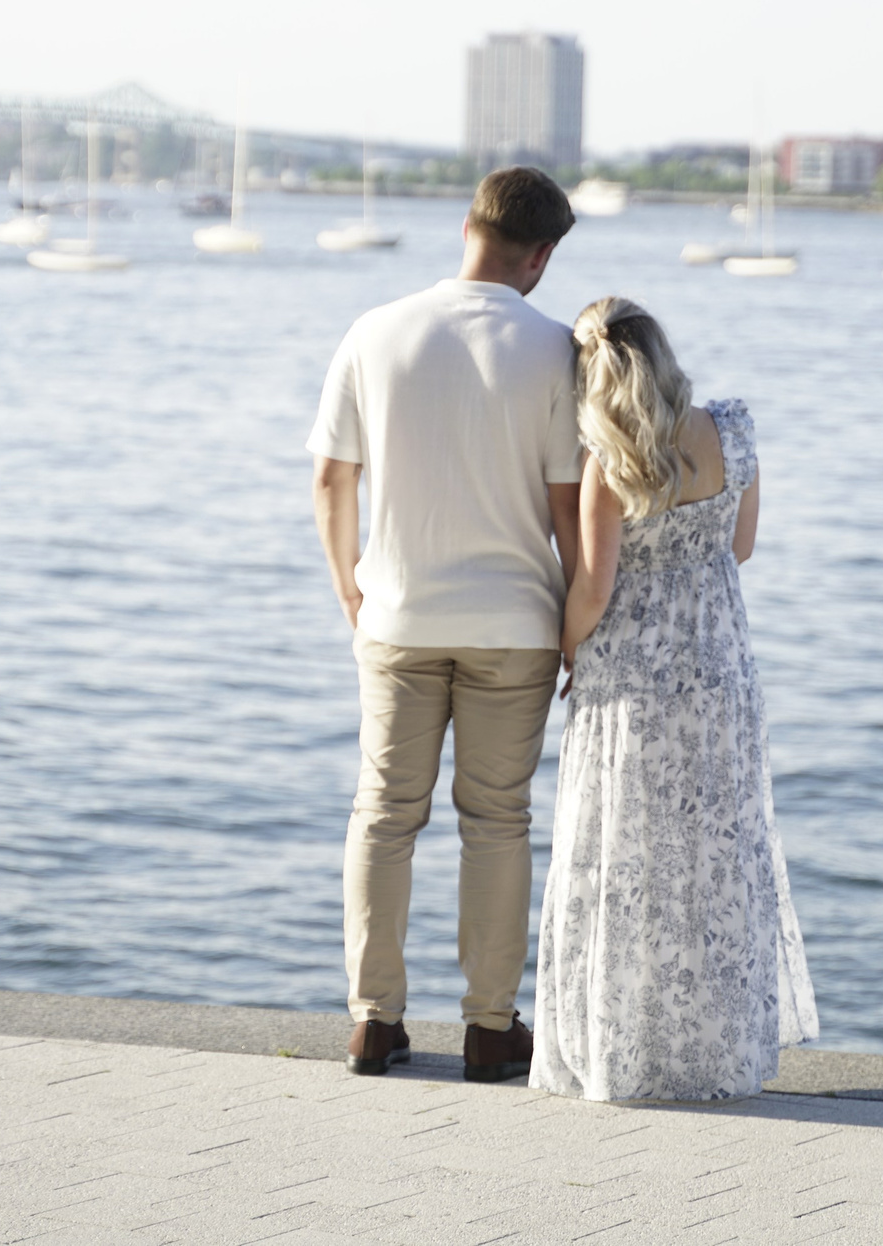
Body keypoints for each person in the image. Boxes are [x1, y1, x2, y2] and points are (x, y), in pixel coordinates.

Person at [307, 166, 581, 1084]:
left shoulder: (374, 330)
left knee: (384, 814)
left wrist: (351, 590)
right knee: (497, 821)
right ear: (541, 256)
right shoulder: (555, 350)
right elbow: (567, 506)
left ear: (465, 224)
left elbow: (330, 478)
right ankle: (488, 1027)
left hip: (398, 614)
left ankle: (372, 1022)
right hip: (515, 624)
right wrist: (582, 619)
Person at [530, 297, 816, 1102]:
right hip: (717, 668)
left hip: (629, 683)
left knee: (625, 860)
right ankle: (714, 1054)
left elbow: (594, 586)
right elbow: (742, 545)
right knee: (713, 858)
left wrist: (566, 651)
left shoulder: (608, 461)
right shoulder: (732, 430)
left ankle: (628, 1052)